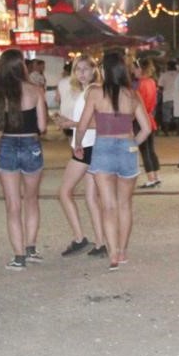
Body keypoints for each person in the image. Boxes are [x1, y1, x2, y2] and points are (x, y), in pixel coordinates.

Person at [75, 50, 152, 270]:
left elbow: (82, 125)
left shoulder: (96, 93)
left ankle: (112, 255)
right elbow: (146, 129)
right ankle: (123, 251)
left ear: (104, 71)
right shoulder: (132, 95)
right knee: (125, 205)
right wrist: (133, 144)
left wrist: (79, 144)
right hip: (126, 148)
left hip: (103, 148)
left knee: (108, 206)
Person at [0, 49, 49, 270]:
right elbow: (42, 127)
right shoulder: (35, 91)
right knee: (31, 199)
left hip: (7, 145)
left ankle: (18, 257)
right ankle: (31, 248)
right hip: (31, 144)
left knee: (12, 205)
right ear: (21, 66)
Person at [55, 55, 107, 256]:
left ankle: (80, 238)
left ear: (95, 69)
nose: (81, 73)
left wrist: (72, 125)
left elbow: (98, 123)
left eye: (86, 68)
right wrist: (72, 123)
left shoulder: (93, 90)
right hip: (90, 144)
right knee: (91, 197)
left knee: (64, 192)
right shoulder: (88, 91)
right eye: (78, 69)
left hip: (86, 146)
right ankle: (100, 243)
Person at [134, 58, 161, 188]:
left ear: (140, 69)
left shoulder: (139, 84)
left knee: (144, 150)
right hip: (150, 118)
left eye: (135, 68)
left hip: (140, 119)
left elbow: (137, 104)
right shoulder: (151, 82)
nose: (134, 71)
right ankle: (156, 176)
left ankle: (150, 178)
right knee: (151, 149)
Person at [157, 61, 178, 135]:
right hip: (177, 98)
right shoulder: (178, 75)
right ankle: (178, 132)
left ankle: (166, 132)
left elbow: (160, 87)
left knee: (166, 116)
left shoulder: (164, 75)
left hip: (167, 98)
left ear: (168, 66)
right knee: (177, 116)